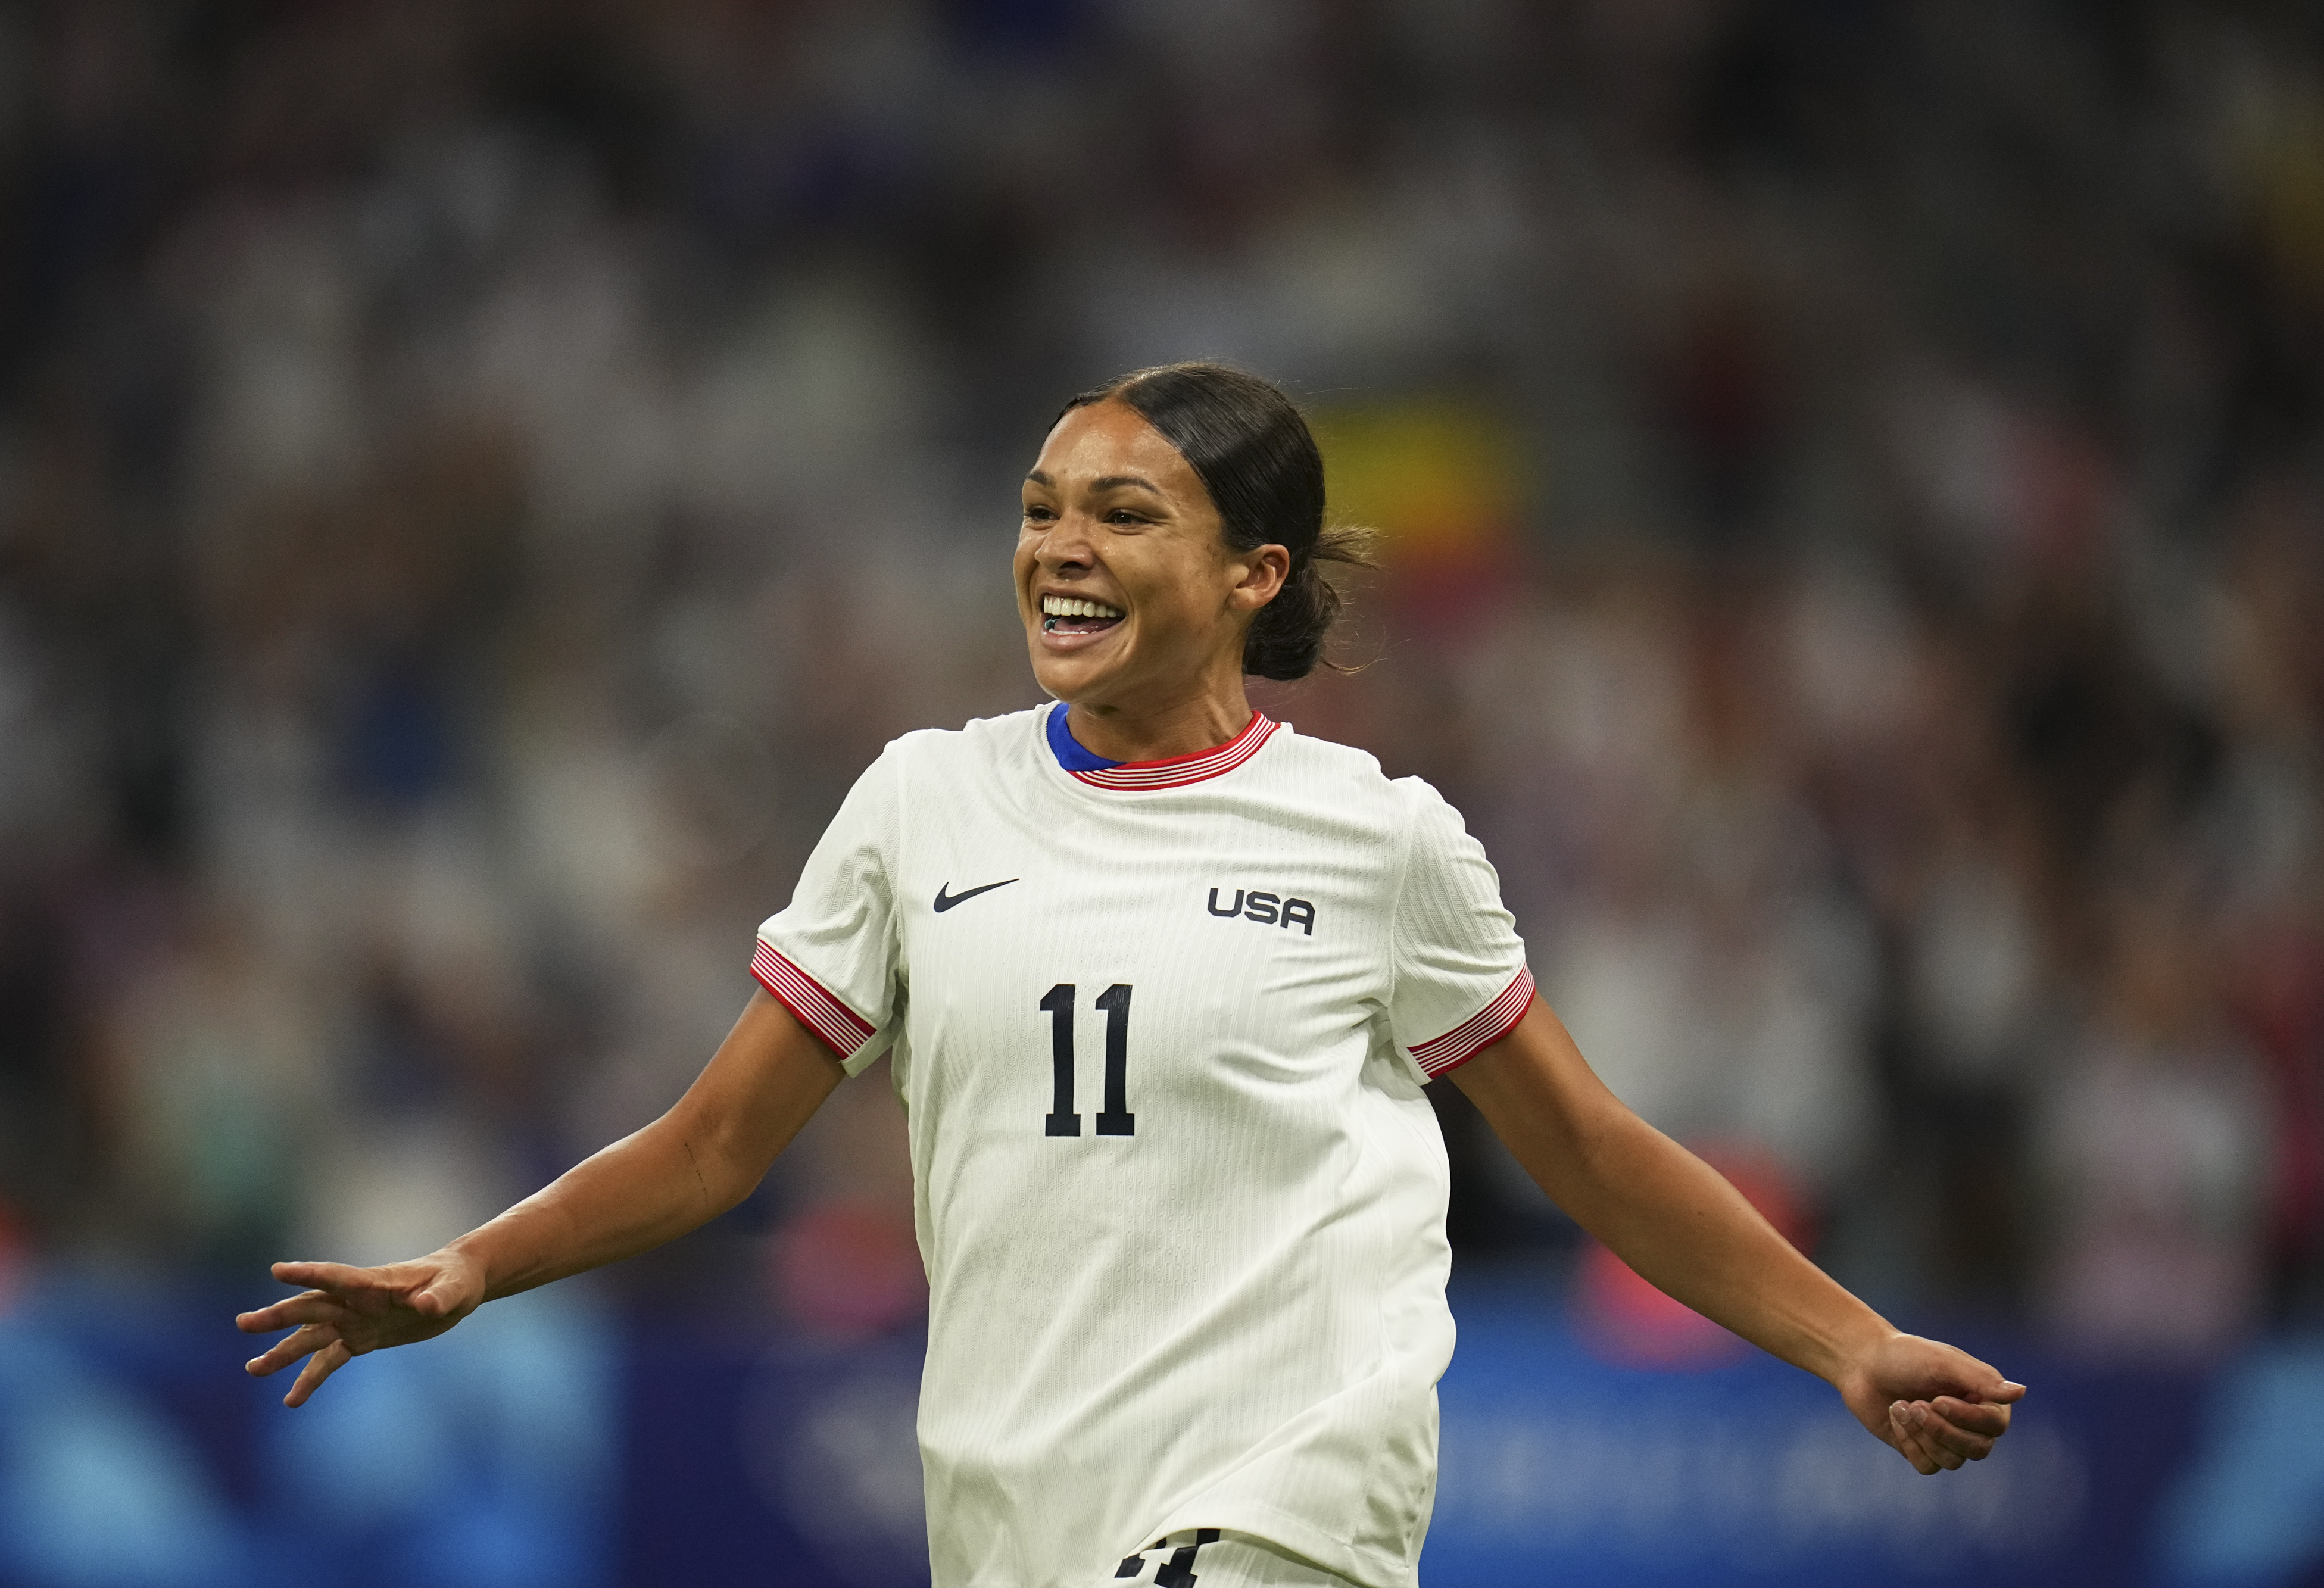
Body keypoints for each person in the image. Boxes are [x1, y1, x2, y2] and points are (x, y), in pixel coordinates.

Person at [239, 363, 2025, 1588]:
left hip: (1280, 1512)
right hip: (1016, 1514)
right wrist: (474, 1262)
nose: (1059, 547)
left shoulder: (1378, 840)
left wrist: (1848, 1345)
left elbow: (1590, 1147)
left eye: (1121, 512)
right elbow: (714, 1148)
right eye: (1039, 508)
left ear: (1255, 574)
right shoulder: (924, 801)